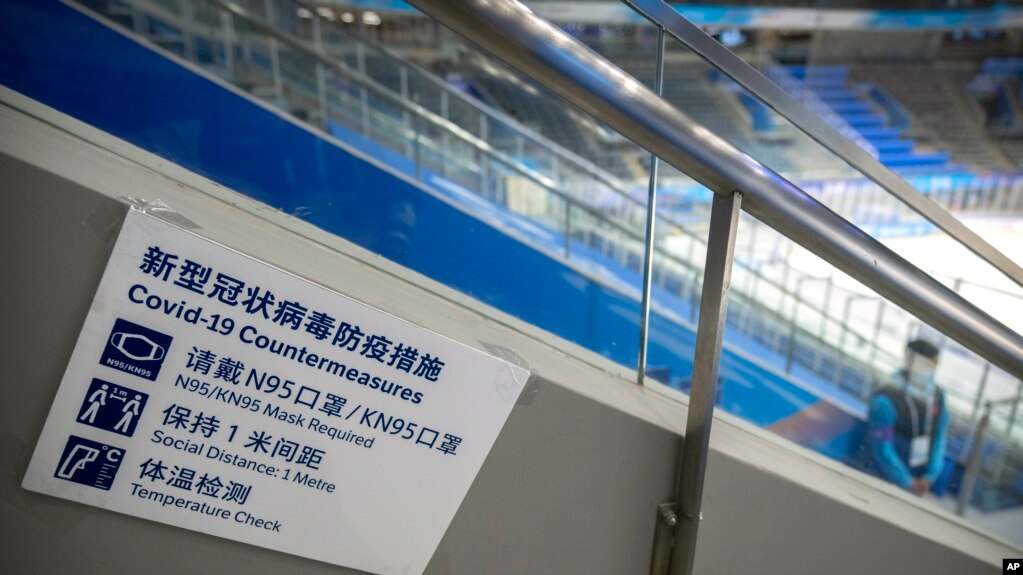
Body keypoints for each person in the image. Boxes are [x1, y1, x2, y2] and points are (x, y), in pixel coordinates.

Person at [866, 338, 949, 495]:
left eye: (934, 365)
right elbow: (882, 448)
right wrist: (906, 481)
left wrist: (929, 476)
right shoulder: (886, 398)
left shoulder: (938, 397)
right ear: (911, 360)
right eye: (928, 364)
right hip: (883, 481)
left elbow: (940, 437)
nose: (932, 369)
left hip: (918, 480)